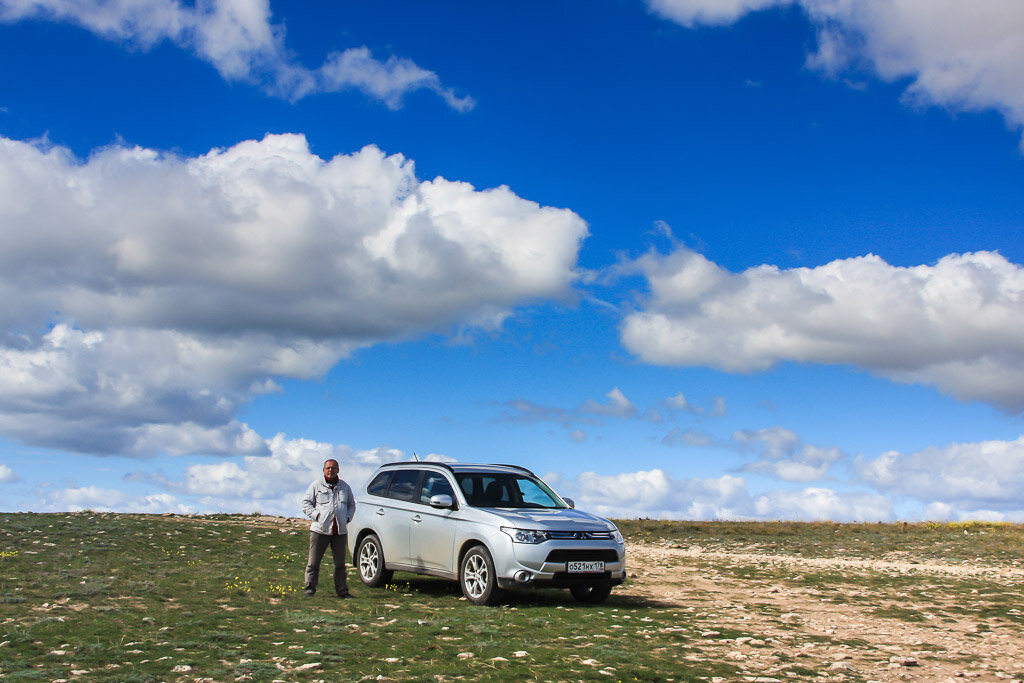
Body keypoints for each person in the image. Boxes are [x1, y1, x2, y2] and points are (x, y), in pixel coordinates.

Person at [301, 459, 356, 598]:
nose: (330, 470)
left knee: (340, 565)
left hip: (340, 532)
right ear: (323, 470)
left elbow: (351, 505)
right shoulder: (316, 485)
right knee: (313, 563)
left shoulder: (345, 487)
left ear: (338, 469)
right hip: (320, 530)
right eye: (328, 468)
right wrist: (317, 516)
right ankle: (309, 589)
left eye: (333, 468)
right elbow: (306, 503)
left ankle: (342, 592)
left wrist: (348, 517)